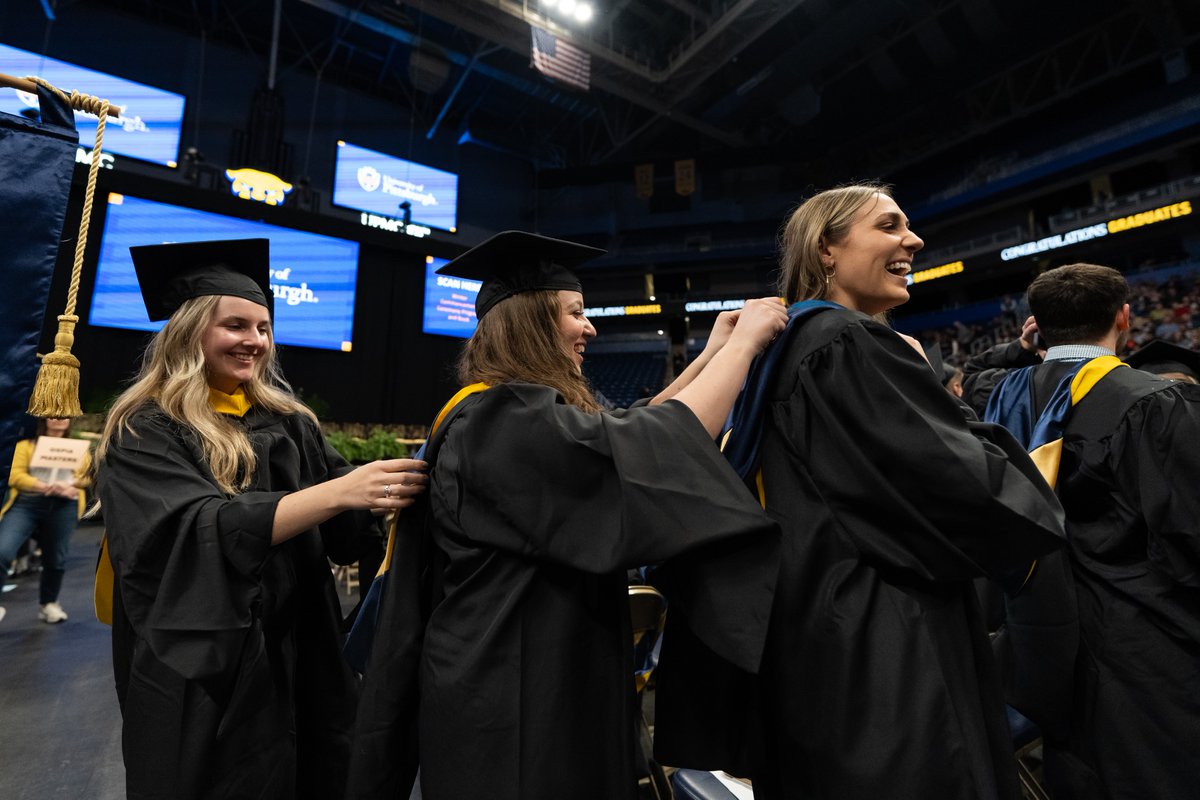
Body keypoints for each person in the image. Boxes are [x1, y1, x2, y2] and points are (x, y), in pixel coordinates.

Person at [654, 183, 1066, 800]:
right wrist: (932, 389)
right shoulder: (849, 344)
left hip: (809, 643)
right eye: (890, 226)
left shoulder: (778, 349)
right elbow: (964, 488)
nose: (914, 240)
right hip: (888, 648)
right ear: (827, 249)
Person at [346, 231, 786, 800]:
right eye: (576, 312)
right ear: (531, 322)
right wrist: (742, 349)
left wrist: (709, 356)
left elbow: (629, 432)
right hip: (511, 692)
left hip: (537, 669)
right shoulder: (500, 419)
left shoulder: (506, 412)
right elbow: (648, 451)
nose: (590, 327)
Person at [95, 238, 427, 800]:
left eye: (264, 328)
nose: (255, 342)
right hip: (205, 661)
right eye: (236, 326)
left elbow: (350, 531)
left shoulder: (290, 422)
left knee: (316, 768)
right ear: (190, 331)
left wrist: (392, 497)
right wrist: (340, 493)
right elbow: (192, 530)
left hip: (303, 643)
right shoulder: (144, 428)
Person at [983, 264, 1200, 800]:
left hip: (1036, 632)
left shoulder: (1000, 398)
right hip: (1142, 643)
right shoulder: (1152, 400)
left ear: (1036, 326)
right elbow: (1188, 536)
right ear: (1124, 317)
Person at [0, 416, 89, 623]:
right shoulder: (25, 446)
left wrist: (68, 484)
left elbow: (86, 476)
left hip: (64, 505)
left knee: (56, 559)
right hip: (27, 504)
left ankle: (49, 603)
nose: (59, 420)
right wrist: (44, 486)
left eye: (64, 416)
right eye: (54, 416)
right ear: (43, 420)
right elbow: (14, 475)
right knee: (3, 550)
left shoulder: (78, 447)